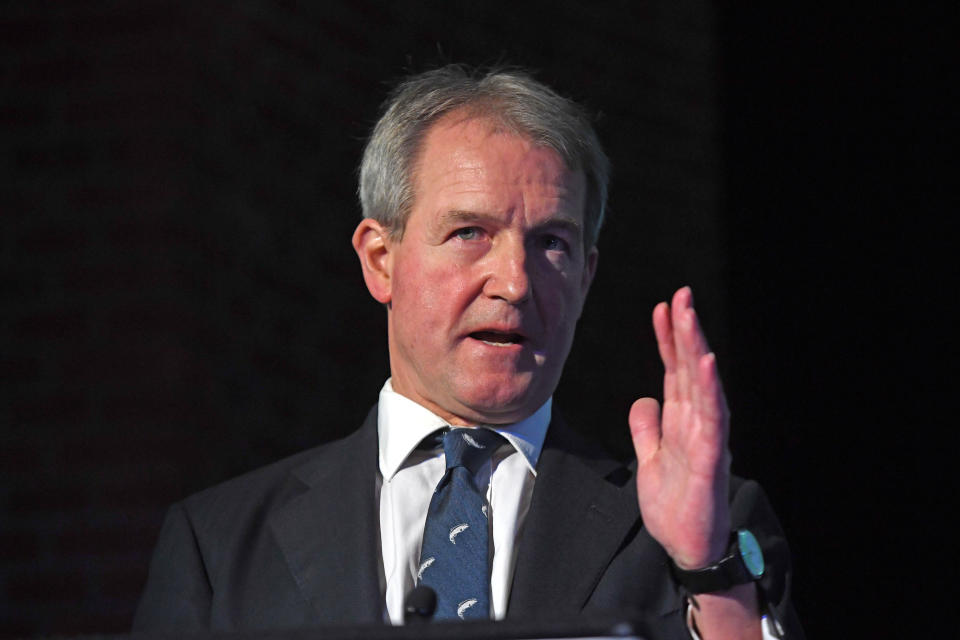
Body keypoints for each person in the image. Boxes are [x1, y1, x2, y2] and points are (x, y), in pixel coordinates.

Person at [134, 66, 803, 640]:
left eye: (552, 244)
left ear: (585, 277)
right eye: (469, 233)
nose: (515, 282)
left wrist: (710, 571)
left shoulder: (704, 531)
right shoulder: (218, 547)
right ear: (380, 259)